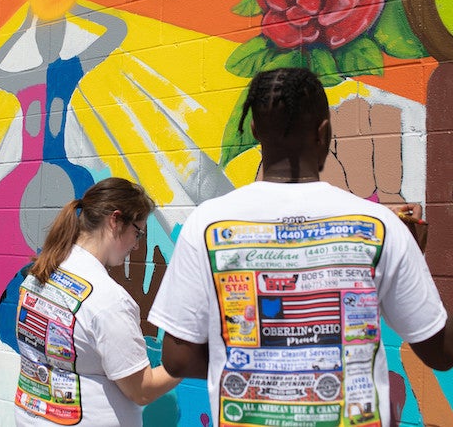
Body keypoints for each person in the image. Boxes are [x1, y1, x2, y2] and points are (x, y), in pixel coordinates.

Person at [148, 67, 453, 426]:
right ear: (324, 132)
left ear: (256, 131)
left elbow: (177, 360)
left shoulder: (207, 224)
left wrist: (263, 371)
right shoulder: (382, 226)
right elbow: (440, 352)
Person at [14, 177, 180, 426]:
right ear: (115, 220)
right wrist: (188, 361)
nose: (137, 245)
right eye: (138, 232)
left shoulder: (41, 273)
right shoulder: (108, 300)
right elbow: (142, 389)